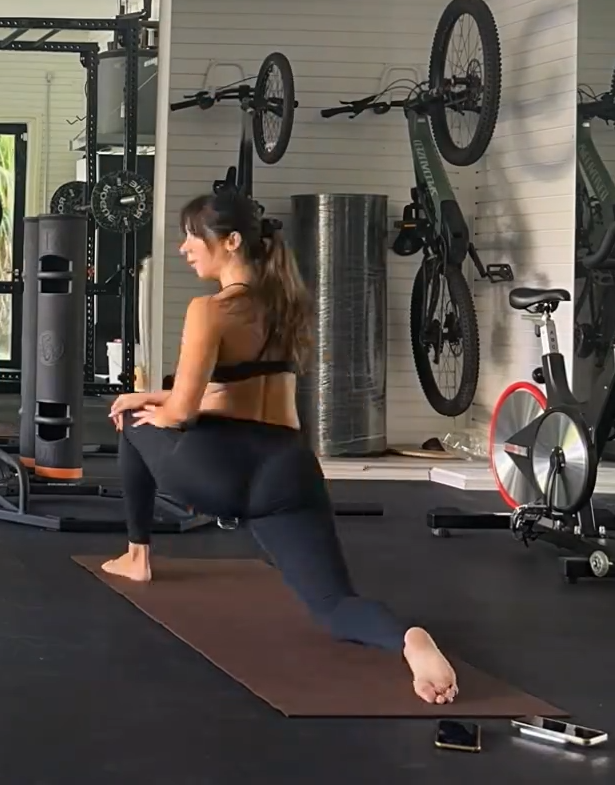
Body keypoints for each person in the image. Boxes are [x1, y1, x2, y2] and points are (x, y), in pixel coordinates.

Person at [102, 191, 459, 706]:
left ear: (231, 241)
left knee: (129, 421)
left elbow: (183, 412)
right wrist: (156, 397)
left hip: (217, 469)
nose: (184, 248)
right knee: (335, 606)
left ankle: (138, 555)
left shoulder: (209, 310)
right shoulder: (291, 304)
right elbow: (234, 392)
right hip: (289, 469)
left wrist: (146, 407)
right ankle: (409, 639)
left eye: (192, 237)